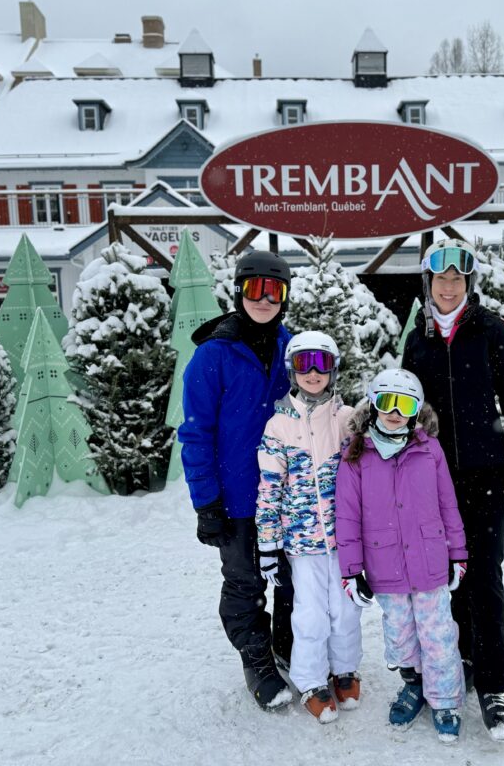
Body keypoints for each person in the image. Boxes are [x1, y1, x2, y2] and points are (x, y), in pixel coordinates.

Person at [401, 238, 504, 741]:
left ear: (468, 283)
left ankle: (496, 686)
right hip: (435, 480)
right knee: (444, 576)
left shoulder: (491, 331)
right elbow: (407, 414)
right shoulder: (417, 342)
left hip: (483, 476)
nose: (448, 288)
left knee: (484, 576)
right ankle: (459, 659)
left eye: (457, 280)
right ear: (429, 284)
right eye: (440, 280)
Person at [178, 249, 295, 711]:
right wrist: (207, 501)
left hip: (288, 494)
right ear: (239, 291)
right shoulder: (214, 355)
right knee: (245, 580)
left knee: (294, 576)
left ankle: (289, 643)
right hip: (237, 497)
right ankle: (256, 658)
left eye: (274, 290)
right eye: (254, 289)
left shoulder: (293, 349)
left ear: (284, 297)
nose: (263, 299)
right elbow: (196, 433)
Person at [336, 368, 469, 743]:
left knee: (438, 633)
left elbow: (448, 504)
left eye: (405, 403)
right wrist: (351, 570)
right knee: (400, 633)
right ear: (373, 404)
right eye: (386, 401)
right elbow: (346, 515)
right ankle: (413, 685)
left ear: (415, 410)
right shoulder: (356, 453)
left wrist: (457, 553)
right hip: (385, 564)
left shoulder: (430, 449)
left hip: (428, 561)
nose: (394, 411)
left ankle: (444, 699)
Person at [254, 330, 363, 724]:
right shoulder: (278, 427)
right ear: (292, 370)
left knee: (346, 610)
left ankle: (345, 669)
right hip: (303, 543)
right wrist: (268, 544)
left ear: (333, 369)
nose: (313, 372)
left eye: (321, 363)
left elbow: (369, 475)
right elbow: (268, 490)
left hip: (346, 539)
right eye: (304, 363)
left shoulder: (348, 419)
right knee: (311, 615)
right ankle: (312, 680)